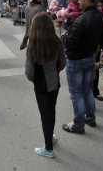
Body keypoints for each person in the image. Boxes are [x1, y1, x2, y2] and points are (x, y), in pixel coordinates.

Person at [62, 0, 103, 134]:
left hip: (77, 60)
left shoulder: (82, 19)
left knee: (77, 93)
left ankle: (78, 124)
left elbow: (70, 43)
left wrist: (66, 37)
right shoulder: (100, 16)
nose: (77, 1)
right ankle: (90, 117)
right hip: (89, 57)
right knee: (87, 89)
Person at [25, 12, 65, 158]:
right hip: (54, 83)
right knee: (51, 111)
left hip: (40, 85)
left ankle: (48, 148)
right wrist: (54, 72)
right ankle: (51, 137)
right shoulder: (57, 41)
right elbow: (63, 63)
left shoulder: (33, 44)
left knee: (45, 115)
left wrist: (33, 78)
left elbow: (29, 72)